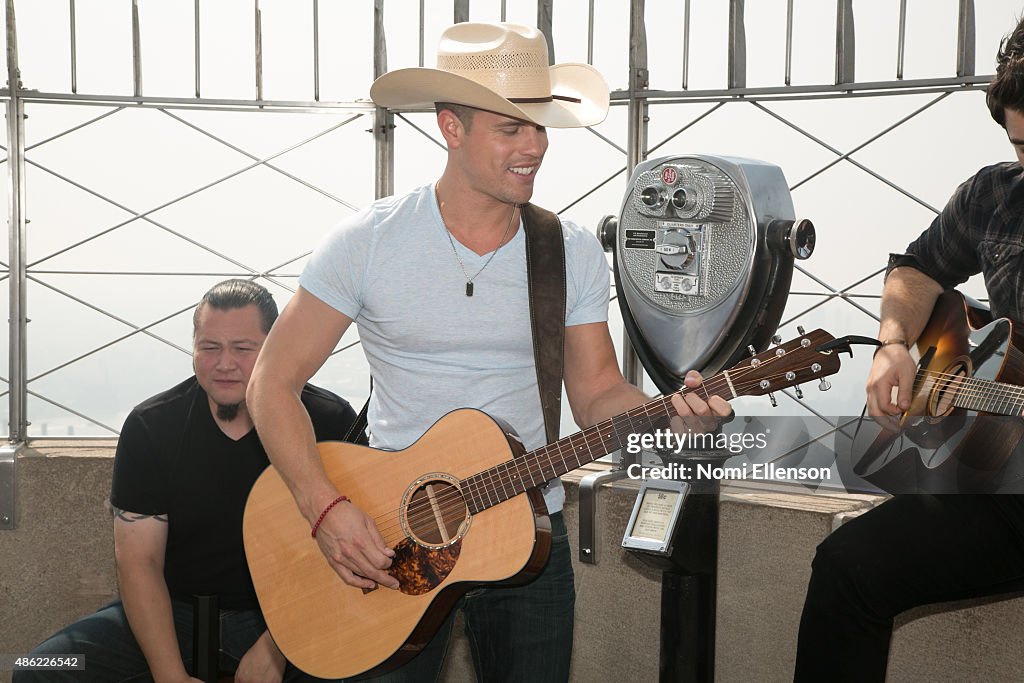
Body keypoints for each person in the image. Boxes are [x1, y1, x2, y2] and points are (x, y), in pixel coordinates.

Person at [246, 21, 732, 683]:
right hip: (388, 533)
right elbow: (271, 382)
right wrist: (324, 507)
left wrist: (666, 413)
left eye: (539, 127)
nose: (534, 146)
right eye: (511, 128)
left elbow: (594, 394)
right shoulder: (368, 241)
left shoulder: (570, 250)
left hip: (527, 536)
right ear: (451, 127)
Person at [793, 17, 1024, 682]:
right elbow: (915, 272)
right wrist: (893, 345)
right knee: (847, 567)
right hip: (1006, 488)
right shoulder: (994, 196)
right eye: (1020, 143)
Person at [16, 279, 356, 683]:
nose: (224, 363)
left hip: (291, 613)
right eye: (210, 347)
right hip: (176, 612)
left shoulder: (328, 420)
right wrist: (169, 675)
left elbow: (349, 550)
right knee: (40, 669)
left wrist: (276, 646)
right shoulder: (153, 425)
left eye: (243, 349)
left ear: (272, 347)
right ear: (193, 348)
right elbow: (139, 562)